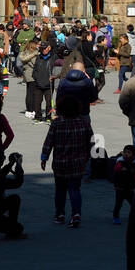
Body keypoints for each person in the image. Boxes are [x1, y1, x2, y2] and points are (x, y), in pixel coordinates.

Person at [40, 96, 92, 228]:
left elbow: (48, 142)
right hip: (78, 162)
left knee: (60, 189)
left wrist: (44, 157)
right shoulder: (83, 122)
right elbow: (91, 141)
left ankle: (60, 214)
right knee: (75, 189)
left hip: (60, 162)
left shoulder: (57, 123)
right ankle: (76, 214)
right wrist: (88, 157)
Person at [111, 143, 135, 224]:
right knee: (118, 204)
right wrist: (121, 170)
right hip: (120, 188)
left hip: (130, 188)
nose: (126, 154)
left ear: (134, 156)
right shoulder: (120, 162)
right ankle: (115, 216)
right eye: (125, 152)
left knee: (134, 203)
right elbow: (116, 170)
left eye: (129, 153)